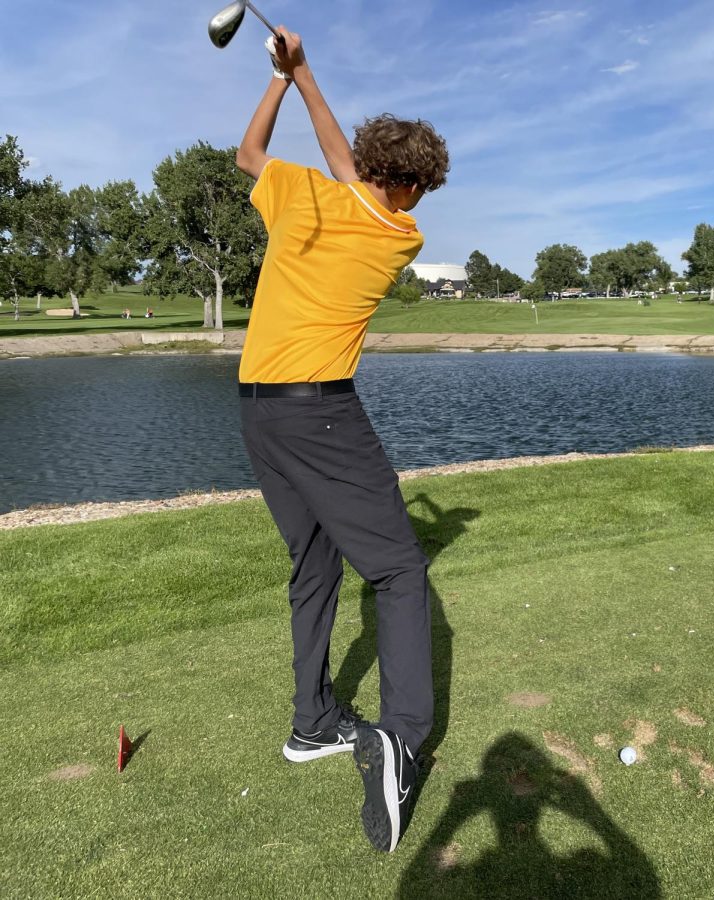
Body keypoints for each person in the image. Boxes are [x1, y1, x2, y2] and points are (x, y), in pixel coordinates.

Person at [234, 27, 449, 854]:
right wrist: (306, 72)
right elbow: (358, 177)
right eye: (422, 186)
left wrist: (290, 79)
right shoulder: (400, 236)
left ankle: (312, 722)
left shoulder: (298, 191)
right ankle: (399, 739)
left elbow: (251, 150)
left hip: (257, 409)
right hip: (321, 414)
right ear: (411, 186)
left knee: (315, 564)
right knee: (397, 569)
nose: (422, 201)